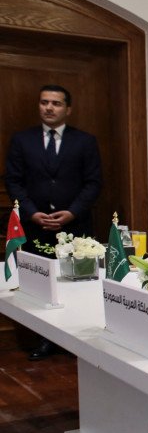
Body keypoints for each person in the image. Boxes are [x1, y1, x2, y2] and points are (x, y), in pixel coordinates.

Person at [5, 84, 104, 360]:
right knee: (40, 288)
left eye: (56, 103)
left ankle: (77, 340)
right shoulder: (22, 140)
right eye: (44, 102)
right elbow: (13, 181)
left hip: (75, 227)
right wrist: (31, 212)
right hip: (34, 226)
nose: (49, 107)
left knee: (76, 285)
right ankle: (45, 340)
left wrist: (72, 212)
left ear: (68, 109)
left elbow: (93, 183)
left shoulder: (85, 141)